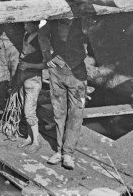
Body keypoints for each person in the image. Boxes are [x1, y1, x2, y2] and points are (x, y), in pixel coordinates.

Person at [44, 19, 89, 170]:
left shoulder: (82, 19)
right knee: (59, 112)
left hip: (77, 73)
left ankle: (68, 153)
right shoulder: (54, 18)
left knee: (76, 113)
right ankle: (58, 151)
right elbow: (42, 34)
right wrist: (46, 55)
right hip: (57, 71)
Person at [15, 21, 48, 153]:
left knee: (29, 112)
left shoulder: (41, 38)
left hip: (34, 79)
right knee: (25, 109)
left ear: (36, 24)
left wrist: (29, 65)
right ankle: (29, 137)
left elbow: (46, 64)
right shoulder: (26, 35)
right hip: (23, 76)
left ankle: (36, 142)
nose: (25, 26)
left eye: (28, 24)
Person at [0, 23, 25, 108]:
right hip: (1, 47)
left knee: (16, 83)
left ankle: (17, 113)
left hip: (16, 47)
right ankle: (5, 111)